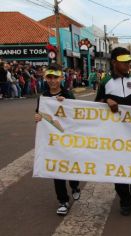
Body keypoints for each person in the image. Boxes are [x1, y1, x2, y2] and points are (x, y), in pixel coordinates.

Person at [95, 47, 131, 216]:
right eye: (123, 61)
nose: (127, 64)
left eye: (128, 61)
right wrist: (106, 100)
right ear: (114, 62)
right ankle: (125, 199)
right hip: (115, 135)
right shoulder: (105, 82)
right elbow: (95, 107)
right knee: (119, 168)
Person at [34, 63, 81, 216]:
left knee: (71, 167)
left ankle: (75, 186)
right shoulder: (43, 97)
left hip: (69, 139)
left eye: (55, 77)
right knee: (57, 170)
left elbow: (78, 115)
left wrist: (66, 104)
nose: (52, 80)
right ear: (46, 78)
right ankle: (63, 201)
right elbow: (40, 114)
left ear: (61, 78)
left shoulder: (68, 95)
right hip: (53, 141)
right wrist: (37, 117)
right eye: (49, 77)